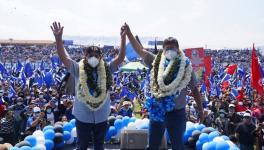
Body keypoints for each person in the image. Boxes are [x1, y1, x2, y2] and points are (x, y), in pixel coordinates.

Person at [123, 23, 204, 150]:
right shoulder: (155, 61)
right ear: (163, 50)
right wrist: (129, 33)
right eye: (167, 48)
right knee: (153, 146)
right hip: (158, 111)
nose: (170, 50)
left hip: (177, 113)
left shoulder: (186, 67)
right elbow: (140, 50)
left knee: (178, 146)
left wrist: (200, 109)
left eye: (173, 47)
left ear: (178, 49)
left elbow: (194, 89)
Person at [50, 21, 126, 150]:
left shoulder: (107, 68)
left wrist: (123, 38)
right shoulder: (78, 68)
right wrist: (58, 39)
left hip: (102, 115)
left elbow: (120, 57)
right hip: (82, 115)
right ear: (85, 56)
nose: (93, 57)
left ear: (101, 57)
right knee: (82, 146)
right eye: (90, 55)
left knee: (99, 147)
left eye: (96, 55)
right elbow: (64, 58)